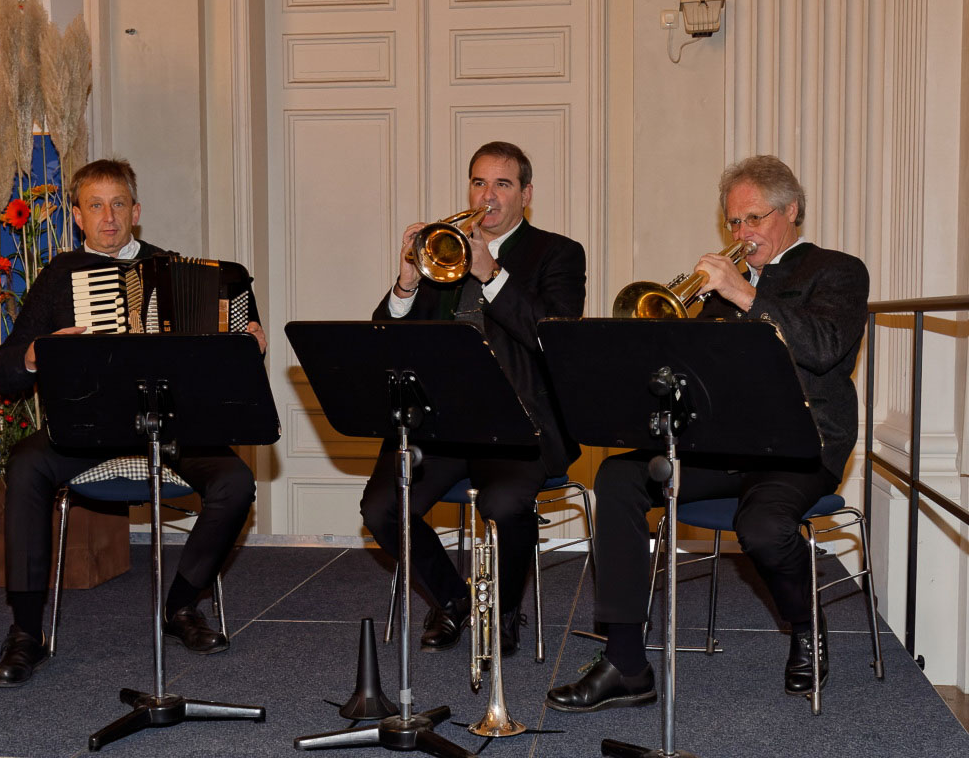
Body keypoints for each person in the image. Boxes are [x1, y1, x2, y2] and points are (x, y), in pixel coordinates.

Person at [546, 154, 869, 713]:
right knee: (619, 476)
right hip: (725, 443)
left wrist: (744, 293)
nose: (742, 234)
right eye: (734, 223)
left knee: (764, 526)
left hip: (801, 445)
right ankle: (625, 662)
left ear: (791, 211)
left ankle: (805, 624)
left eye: (754, 219)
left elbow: (822, 348)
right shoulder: (718, 294)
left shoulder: (835, 270)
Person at [0, 157, 268, 686]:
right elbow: (6, 371)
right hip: (89, 426)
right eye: (95, 205)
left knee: (236, 482)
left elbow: (225, 372)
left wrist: (245, 347)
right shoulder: (59, 277)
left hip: (171, 428)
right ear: (77, 217)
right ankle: (25, 632)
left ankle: (181, 606)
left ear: (135, 212)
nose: (108, 216)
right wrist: (37, 355)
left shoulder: (186, 273)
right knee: (26, 465)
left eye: (118, 204)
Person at [360, 141, 586, 654]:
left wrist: (492, 275)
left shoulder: (558, 254)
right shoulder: (443, 248)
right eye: (479, 183)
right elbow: (387, 339)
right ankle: (455, 602)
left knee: (505, 504)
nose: (488, 196)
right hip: (440, 422)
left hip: (515, 423)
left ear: (525, 194)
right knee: (382, 507)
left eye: (502, 185)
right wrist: (406, 282)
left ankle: (504, 611)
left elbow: (554, 337)